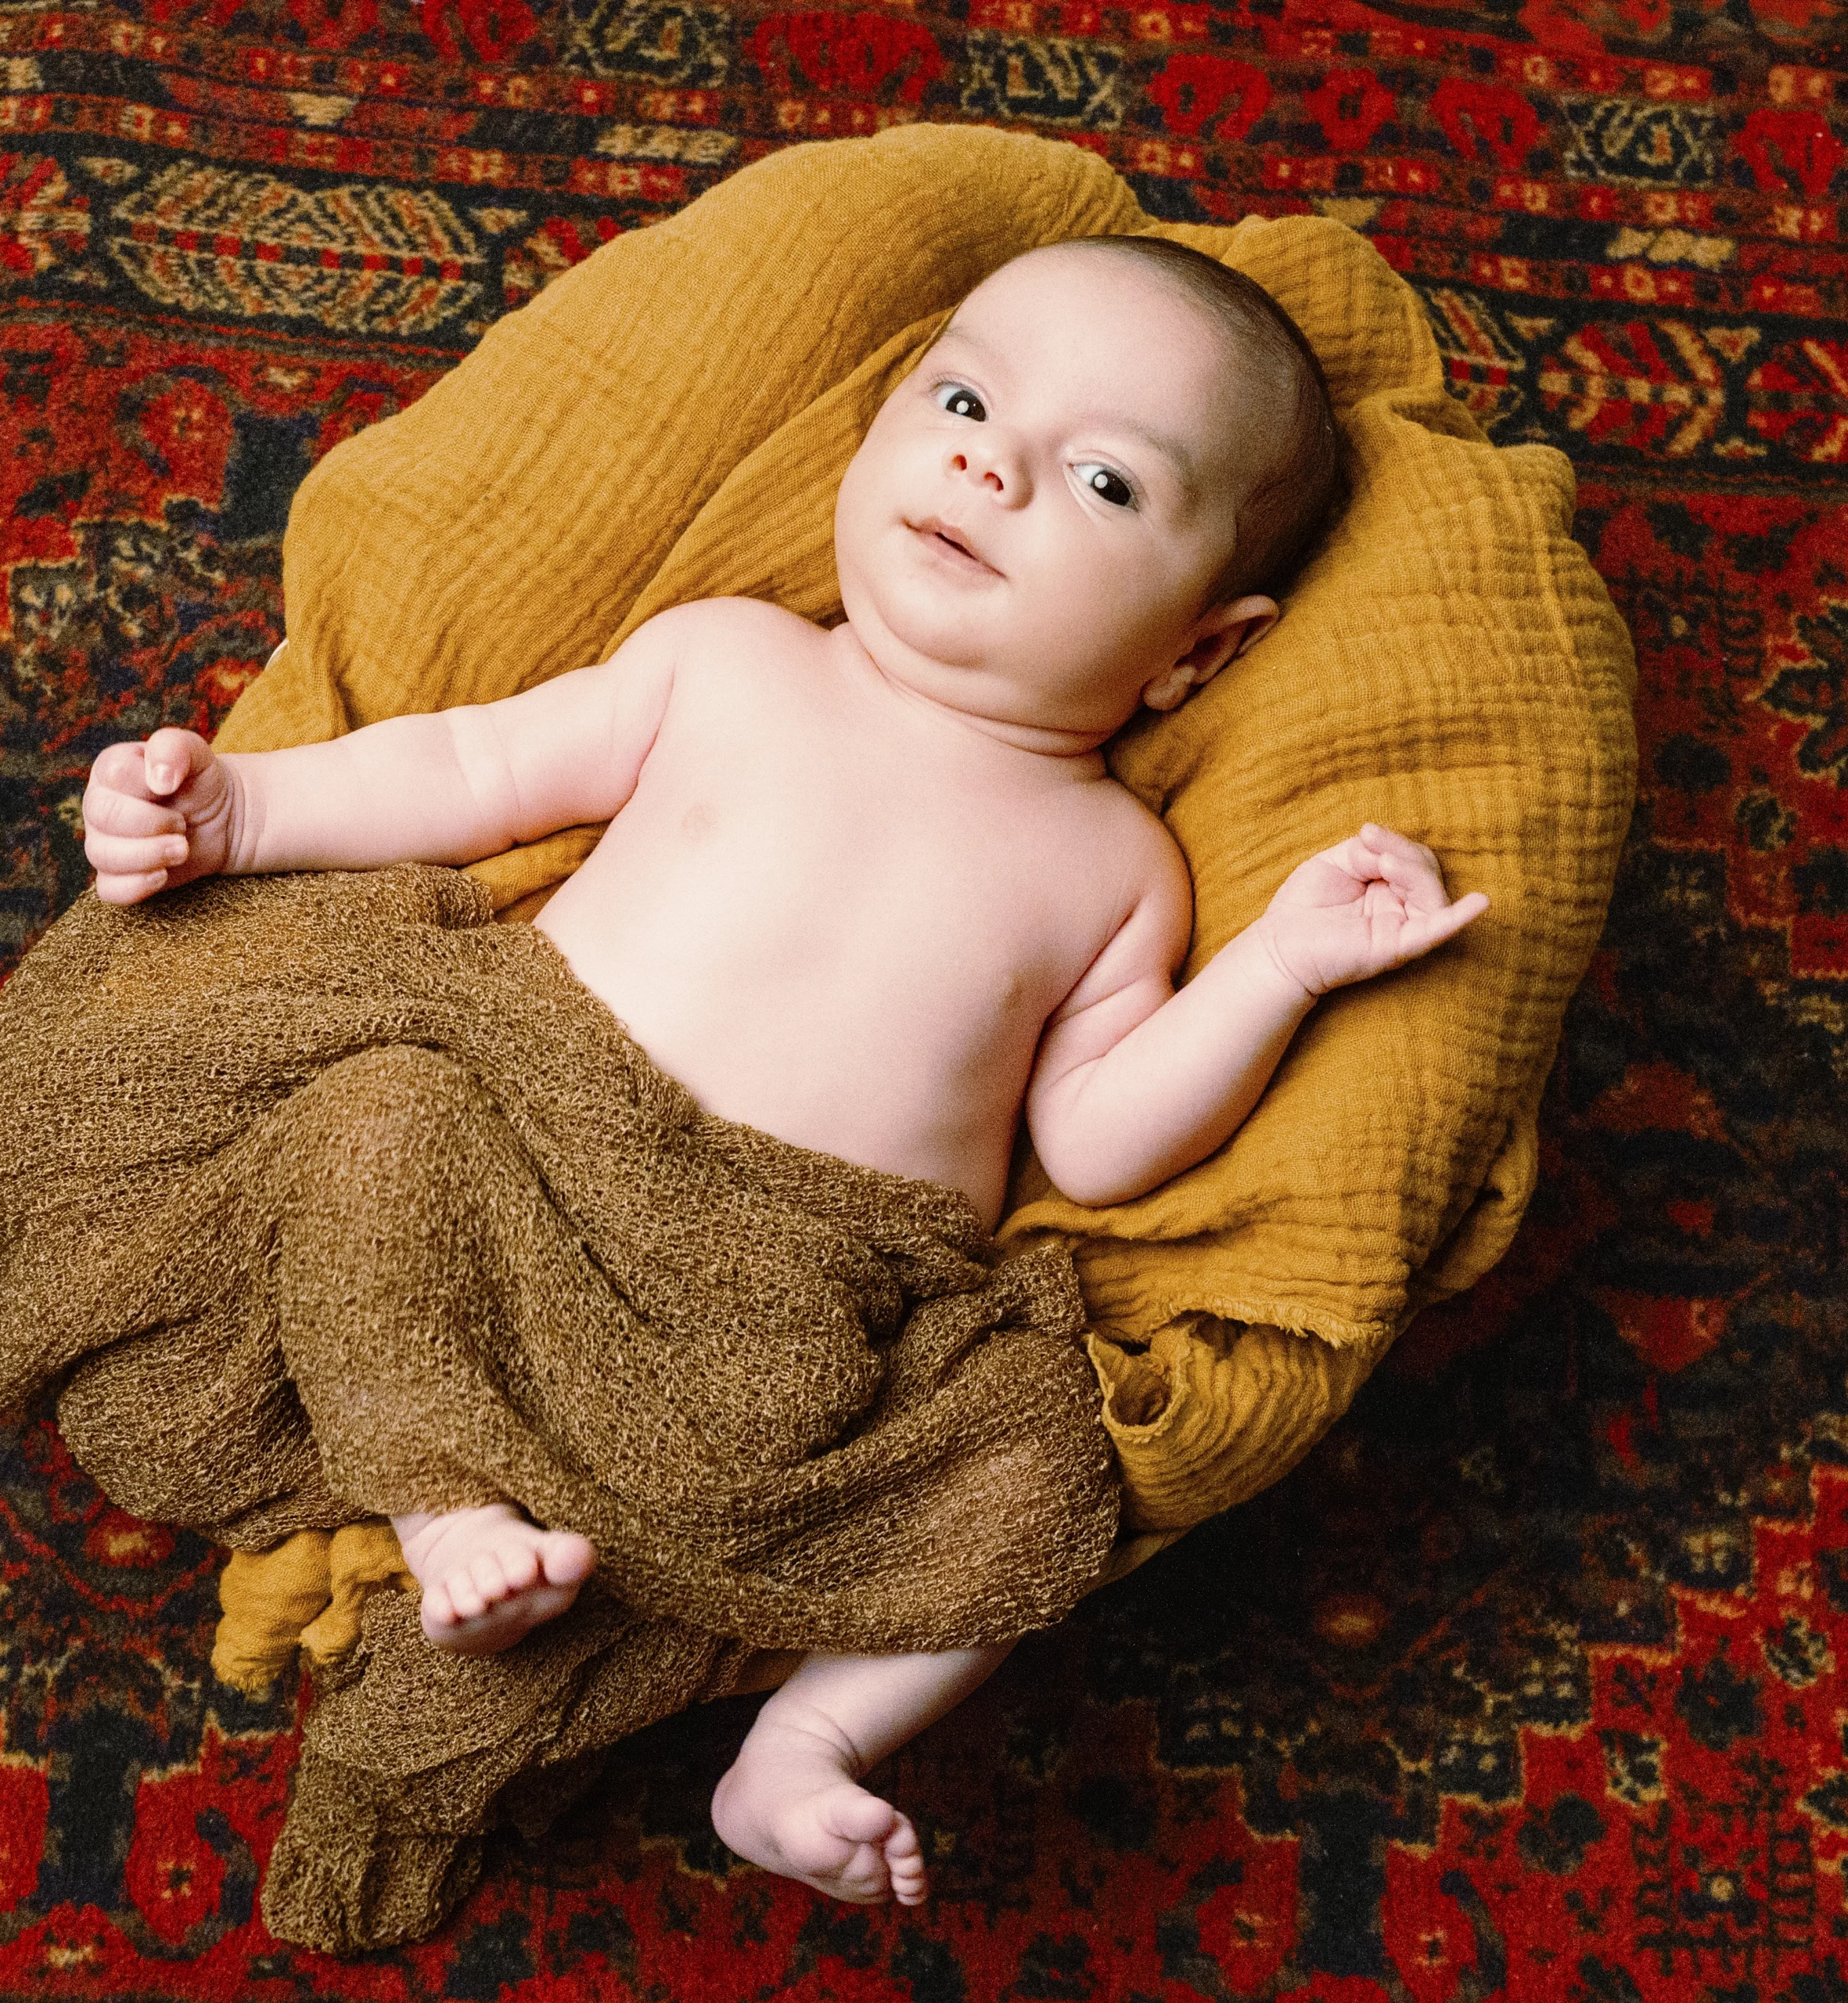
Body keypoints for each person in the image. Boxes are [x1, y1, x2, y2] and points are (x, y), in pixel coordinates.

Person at [77, 235, 1487, 1909]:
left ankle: (803, 1745)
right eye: (961, 399)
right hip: (527, 1141)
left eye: (1101, 479)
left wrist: (1277, 966)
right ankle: (443, 1496)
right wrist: (248, 811)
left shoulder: (1115, 864)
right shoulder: (728, 660)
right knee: (372, 1124)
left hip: (800, 1323)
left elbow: (1098, 1142)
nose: (990, 462)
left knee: (1047, 1462)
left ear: (1194, 654)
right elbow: (475, 768)